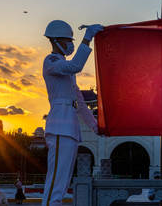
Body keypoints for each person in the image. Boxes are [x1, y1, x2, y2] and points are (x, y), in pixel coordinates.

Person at [42, 20, 103, 206]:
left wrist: (95, 126)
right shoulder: (51, 61)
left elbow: (80, 103)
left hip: (69, 128)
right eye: (66, 40)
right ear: (54, 41)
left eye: (71, 40)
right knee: (56, 182)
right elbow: (76, 65)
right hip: (60, 127)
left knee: (62, 181)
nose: (70, 44)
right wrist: (87, 39)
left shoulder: (67, 70)